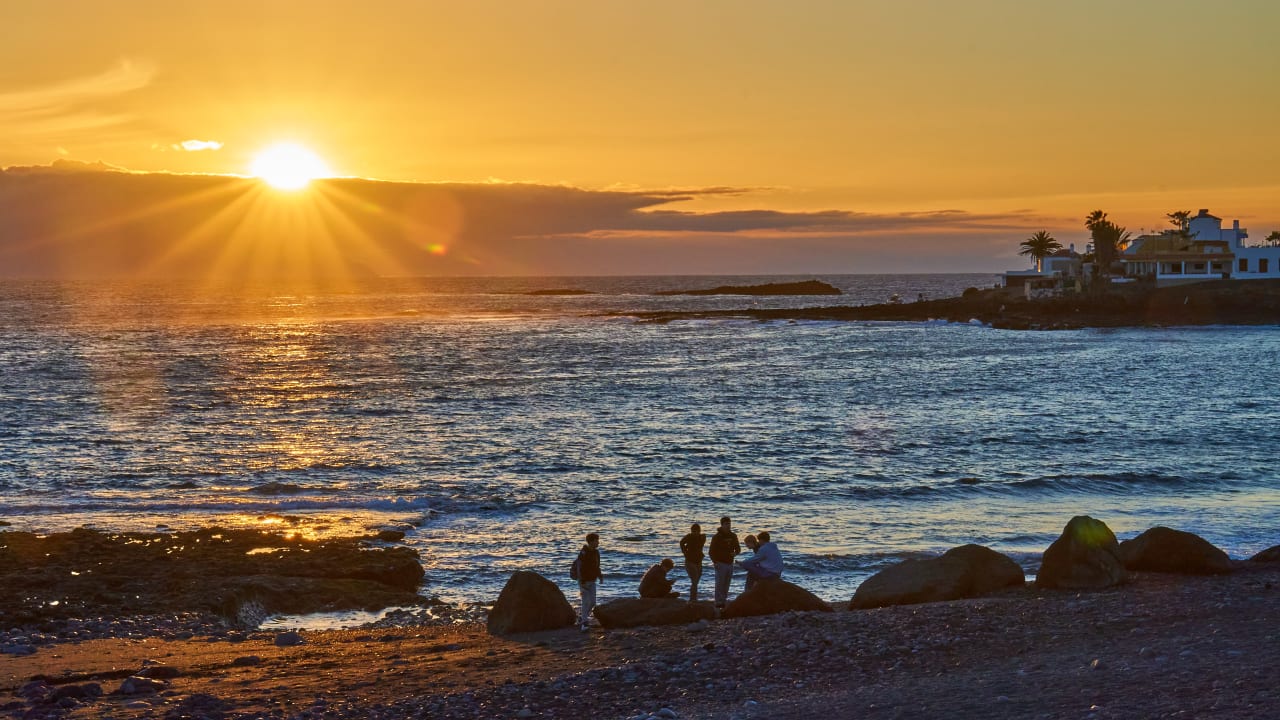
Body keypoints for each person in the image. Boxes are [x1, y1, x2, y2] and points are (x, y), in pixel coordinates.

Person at [707, 516, 741, 610]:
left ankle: (724, 601)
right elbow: (711, 552)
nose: (728, 526)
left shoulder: (733, 536)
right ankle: (718, 602)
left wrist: (736, 553)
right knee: (719, 584)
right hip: (720, 563)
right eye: (726, 524)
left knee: (727, 583)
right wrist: (715, 562)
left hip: (730, 563)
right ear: (722, 525)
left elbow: (738, 548)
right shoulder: (717, 537)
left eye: (729, 524)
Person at [576, 532, 602, 631]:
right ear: (591, 542)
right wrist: (581, 580)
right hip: (583, 580)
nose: (598, 543)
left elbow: (597, 566)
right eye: (596, 541)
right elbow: (579, 567)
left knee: (593, 602)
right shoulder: (583, 553)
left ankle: (582, 617)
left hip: (592, 580)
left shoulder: (596, 552)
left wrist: (600, 576)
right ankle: (584, 623)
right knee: (586, 601)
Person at [679, 523, 706, 602]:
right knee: (694, 579)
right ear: (691, 531)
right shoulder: (689, 537)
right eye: (693, 531)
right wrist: (685, 552)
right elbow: (681, 543)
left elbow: (700, 545)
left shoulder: (702, 537)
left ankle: (693, 598)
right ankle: (693, 599)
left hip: (698, 561)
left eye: (696, 531)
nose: (695, 533)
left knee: (696, 579)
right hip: (690, 561)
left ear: (699, 531)